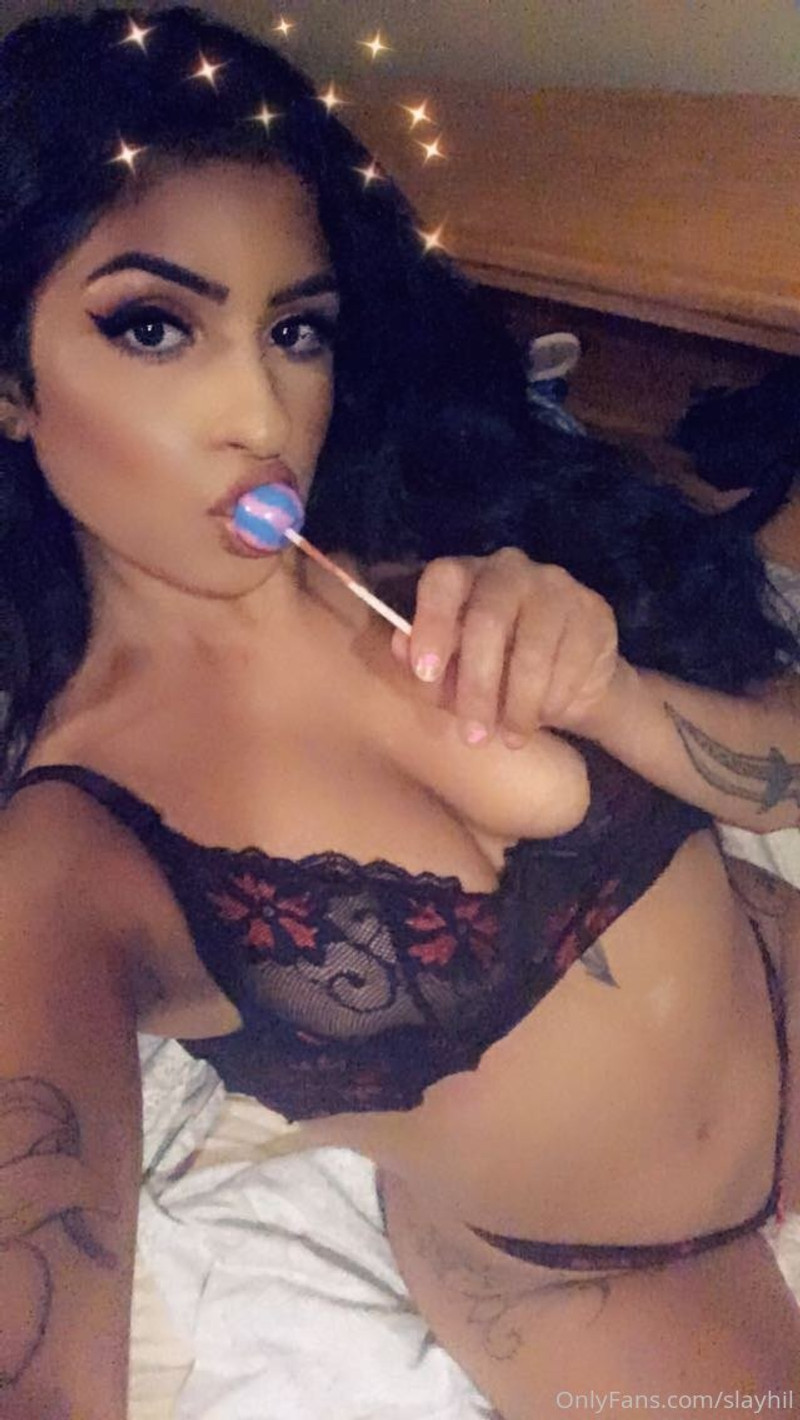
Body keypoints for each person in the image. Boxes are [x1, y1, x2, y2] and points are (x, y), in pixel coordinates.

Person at [0, 6, 798, 1417]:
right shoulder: (72, 865)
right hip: (615, 1282)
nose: (261, 413)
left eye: (293, 329)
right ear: (12, 384)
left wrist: (614, 694)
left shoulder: (426, 543)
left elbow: (782, 771)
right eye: (154, 326)